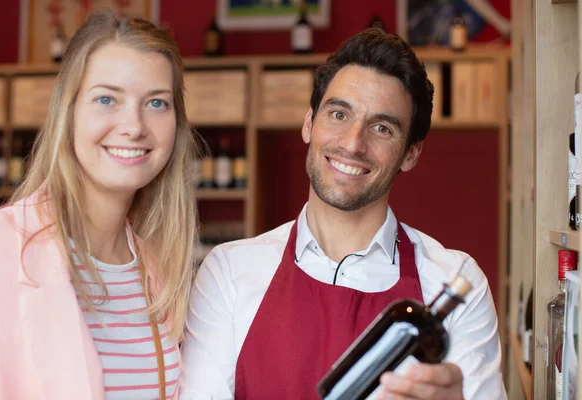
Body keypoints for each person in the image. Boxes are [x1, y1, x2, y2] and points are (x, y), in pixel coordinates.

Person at [180, 29, 507, 400]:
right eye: (338, 114)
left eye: (382, 128)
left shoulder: (456, 281)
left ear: (411, 154)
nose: (353, 143)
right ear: (309, 124)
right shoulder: (229, 272)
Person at [0, 11, 198, 400]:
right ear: (69, 111)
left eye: (156, 103)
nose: (134, 126)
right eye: (106, 99)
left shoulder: (159, 273)